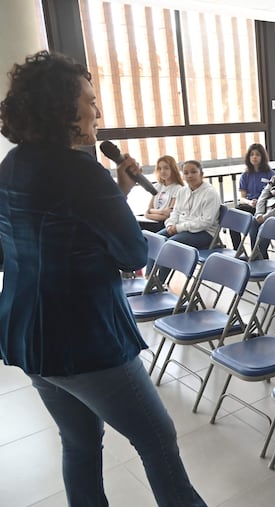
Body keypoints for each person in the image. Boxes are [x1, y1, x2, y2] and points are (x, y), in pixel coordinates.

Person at [0, 50, 205, 506]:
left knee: (78, 443)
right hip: (84, 336)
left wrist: (120, 189)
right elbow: (132, 252)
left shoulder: (11, 165)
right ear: (63, 108)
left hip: (29, 337)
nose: (98, 110)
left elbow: (49, 232)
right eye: (90, 100)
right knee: (157, 439)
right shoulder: (80, 172)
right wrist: (112, 192)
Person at [160, 159, 221, 251]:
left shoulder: (210, 193)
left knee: (170, 245)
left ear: (201, 174)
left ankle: (165, 265)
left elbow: (206, 222)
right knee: (156, 240)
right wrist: (170, 224)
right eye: (186, 173)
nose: (190, 175)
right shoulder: (182, 191)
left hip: (205, 232)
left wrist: (178, 228)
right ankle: (154, 266)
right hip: (182, 228)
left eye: (194, 172)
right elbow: (175, 212)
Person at [230, 143, 274, 248]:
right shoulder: (245, 175)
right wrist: (250, 202)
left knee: (254, 225)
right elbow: (242, 198)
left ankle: (256, 252)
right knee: (232, 217)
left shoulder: (270, 174)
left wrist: (260, 202)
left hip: (264, 207)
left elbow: (274, 196)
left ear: (262, 157)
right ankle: (237, 250)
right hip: (250, 205)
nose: (254, 157)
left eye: (257, 155)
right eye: (252, 155)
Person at [139, 155, 184, 233]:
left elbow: (168, 214)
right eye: (160, 168)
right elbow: (149, 208)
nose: (162, 171)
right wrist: (160, 212)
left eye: (166, 168)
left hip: (164, 223)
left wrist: (149, 214)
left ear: (173, 169)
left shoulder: (178, 188)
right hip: (153, 220)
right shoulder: (158, 186)